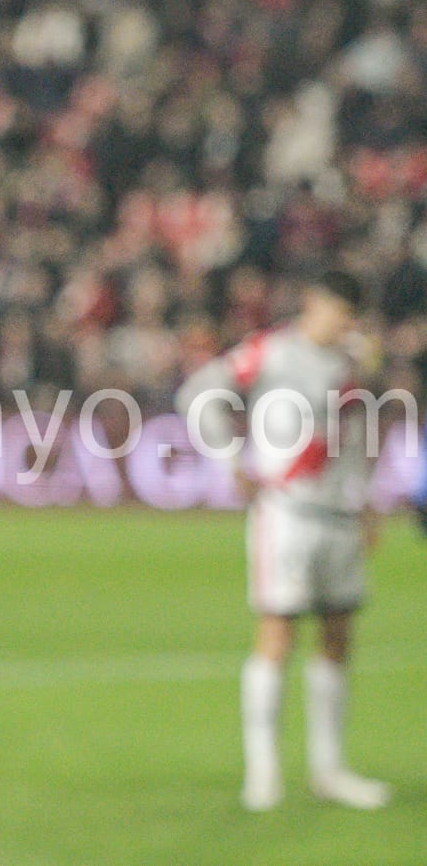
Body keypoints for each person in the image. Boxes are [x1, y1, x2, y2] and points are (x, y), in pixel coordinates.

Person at [175, 269, 391, 812]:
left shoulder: (353, 365)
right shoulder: (271, 352)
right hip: (288, 514)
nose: (346, 322)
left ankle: (329, 769)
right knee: (278, 632)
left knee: (339, 632)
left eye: (352, 314)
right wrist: (229, 460)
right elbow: (198, 393)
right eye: (340, 310)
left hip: (341, 515)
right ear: (315, 303)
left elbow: (355, 437)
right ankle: (263, 772)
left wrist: (365, 500)